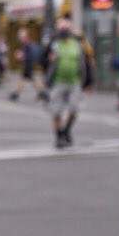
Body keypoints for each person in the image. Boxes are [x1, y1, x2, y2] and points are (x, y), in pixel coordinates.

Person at [44, 17, 94, 149]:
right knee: (56, 110)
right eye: (61, 28)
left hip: (75, 81)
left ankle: (67, 130)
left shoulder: (78, 43)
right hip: (57, 81)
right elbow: (42, 60)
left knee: (74, 108)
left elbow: (86, 62)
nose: (63, 30)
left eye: (66, 28)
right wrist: (48, 59)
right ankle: (59, 135)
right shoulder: (53, 43)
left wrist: (89, 81)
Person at [9, 28, 44, 102]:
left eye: (21, 37)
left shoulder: (27, 44)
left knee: (23, 79)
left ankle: (16, 94)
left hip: (28, 65)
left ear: (25, 37)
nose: (20, 38)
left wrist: (21, 56)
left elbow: (28, 55)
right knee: (31, 79)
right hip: (28, 64)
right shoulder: (26, 44)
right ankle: (41, 92)